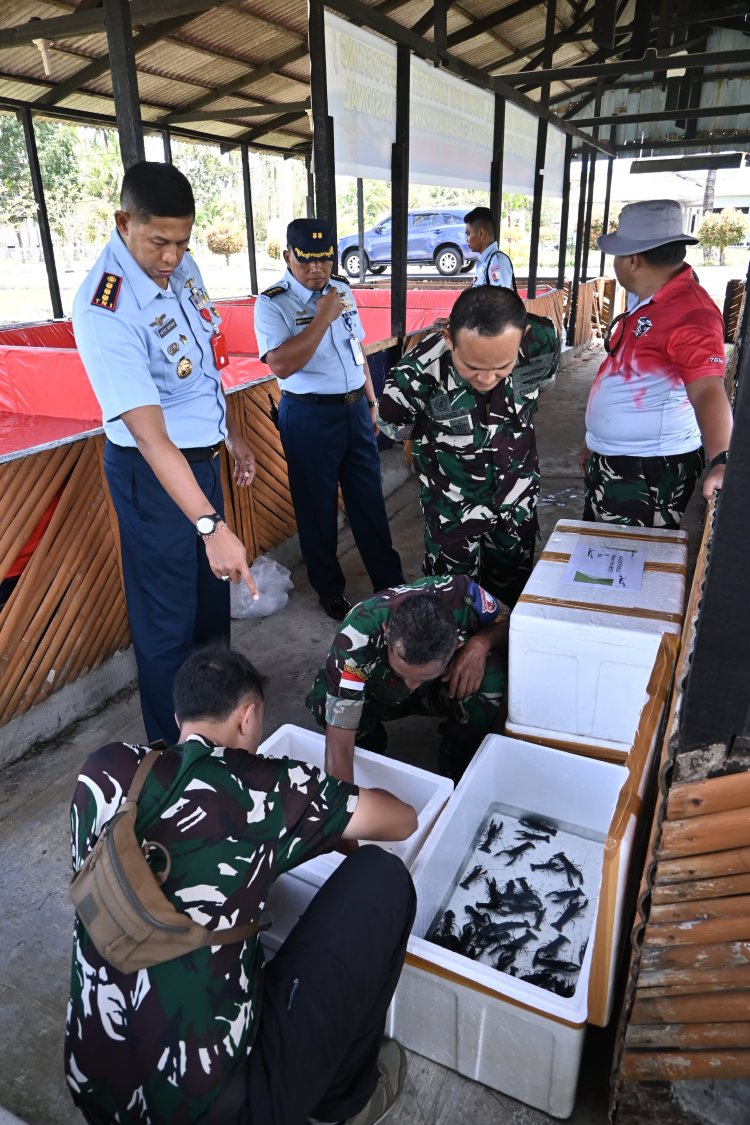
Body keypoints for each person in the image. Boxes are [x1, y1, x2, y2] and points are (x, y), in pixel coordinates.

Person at [65, 645, 417, 1125]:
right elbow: (401, 821)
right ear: (249, 718)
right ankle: (345, 1104)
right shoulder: (264, 787)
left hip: (92, 1086)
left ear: (178, 715)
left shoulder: (102, 770)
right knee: (383, 879)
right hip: (222, 1109)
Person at [73, 161, 258, 745]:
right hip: (152, 478)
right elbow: (151, 436)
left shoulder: (183, 266)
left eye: (183, 241)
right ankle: (170, 756)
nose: (173, 256)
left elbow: (203, 361)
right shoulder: (105, 308)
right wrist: (210, 524)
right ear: (123, 222)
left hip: (200, 463)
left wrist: (233, 430)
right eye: (159, 242)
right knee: (167, 630)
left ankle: (217, 736)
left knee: (210, 619)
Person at [254, 219, 403, 622]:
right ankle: (330, 589)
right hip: (309, 415)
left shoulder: (343, 291)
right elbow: (281, 366)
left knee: (369, 500)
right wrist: (320, 318)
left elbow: (357, 349)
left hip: (354, 409)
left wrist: (371, 402)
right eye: (306, 261)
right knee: (317, 509)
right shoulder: (272, 303)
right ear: (288, 256)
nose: (316, 269)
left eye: (324, 259)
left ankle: (388, 584)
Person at [377, 286, 559, 607]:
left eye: (502, 367)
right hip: (452, 510)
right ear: (449, 338)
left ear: (523, 336)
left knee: (513, 595)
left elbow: (542, 386)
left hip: (516, 502)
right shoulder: (414, 375)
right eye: (473, 367)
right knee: (452, 601)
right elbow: (395, 426)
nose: (487, 378)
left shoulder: (541, 342)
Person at [582, 199, 733, 527]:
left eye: (618, 257)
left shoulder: (693, 314)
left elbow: (708, 389)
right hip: (617, 461)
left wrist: (721, 459)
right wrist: (596, 442)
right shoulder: (651, 300)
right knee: (603, 555)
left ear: (633, 260)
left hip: (648, 470)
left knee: (629, 563)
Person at [306, 575, 510, 783]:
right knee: (325, 701)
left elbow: (515, 625)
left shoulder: (462, 596)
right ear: (387, 632)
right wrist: (343, 805)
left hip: (438, 691)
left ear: (456, 645)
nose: (411, 686)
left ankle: (458, 754)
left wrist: (481, 642)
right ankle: (369, 742)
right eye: (402, 673)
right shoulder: (355, 641)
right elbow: (338, 745)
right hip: (377, 696)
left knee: (490, 675)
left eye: (423, 676)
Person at [464, 206, 515, 290]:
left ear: (481, 234)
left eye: (468, 234)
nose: (466, 239)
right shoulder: (485, 261)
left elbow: (500, 300)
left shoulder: (497, 261)